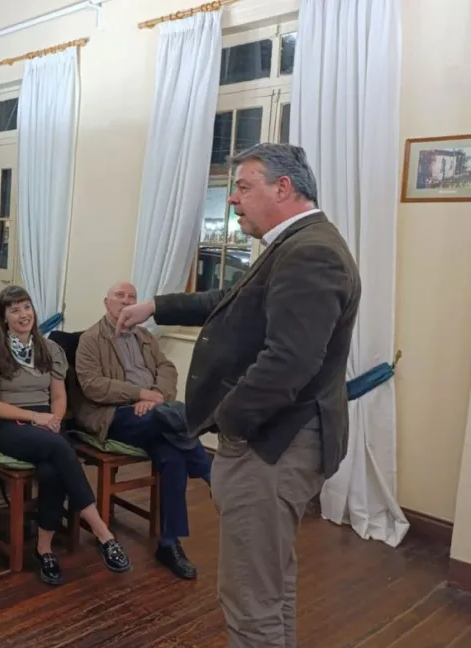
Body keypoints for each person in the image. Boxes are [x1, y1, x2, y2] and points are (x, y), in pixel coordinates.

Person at [116, 143, 361, 648]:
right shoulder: (294, 243)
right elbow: (227, 301)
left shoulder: (311, 253)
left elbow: (289, 361)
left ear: (283, 187)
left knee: (250, 597)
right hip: (276, 440)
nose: (232, 199)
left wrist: (227, 421)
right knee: (269, 585)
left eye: (244, 187)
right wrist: (155, 306)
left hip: (273, 445)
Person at [0, 285, 131, 585]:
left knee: (52, 470)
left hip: (46, 422)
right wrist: (37, 418)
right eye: (14, 310)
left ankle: (44, 548)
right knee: (61, 450)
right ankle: (103, 533)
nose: (23, 315)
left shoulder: (50, 350)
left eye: (27, 307)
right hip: (8, 423)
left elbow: (59, 397)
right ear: (4, 317)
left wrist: (55, 419)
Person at [75, 281, 211, 580]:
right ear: (106, 303)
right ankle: (208, 470)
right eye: (119, 296)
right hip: (114, 416)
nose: (126, 301)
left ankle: (169, 543)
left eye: (132, 297)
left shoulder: (145, 337)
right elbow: (93, 385)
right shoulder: (91, 339)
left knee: (173, 455)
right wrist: (140, 394)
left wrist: (156, 396)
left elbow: (167, 369)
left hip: (153, 416)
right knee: (171, 416)